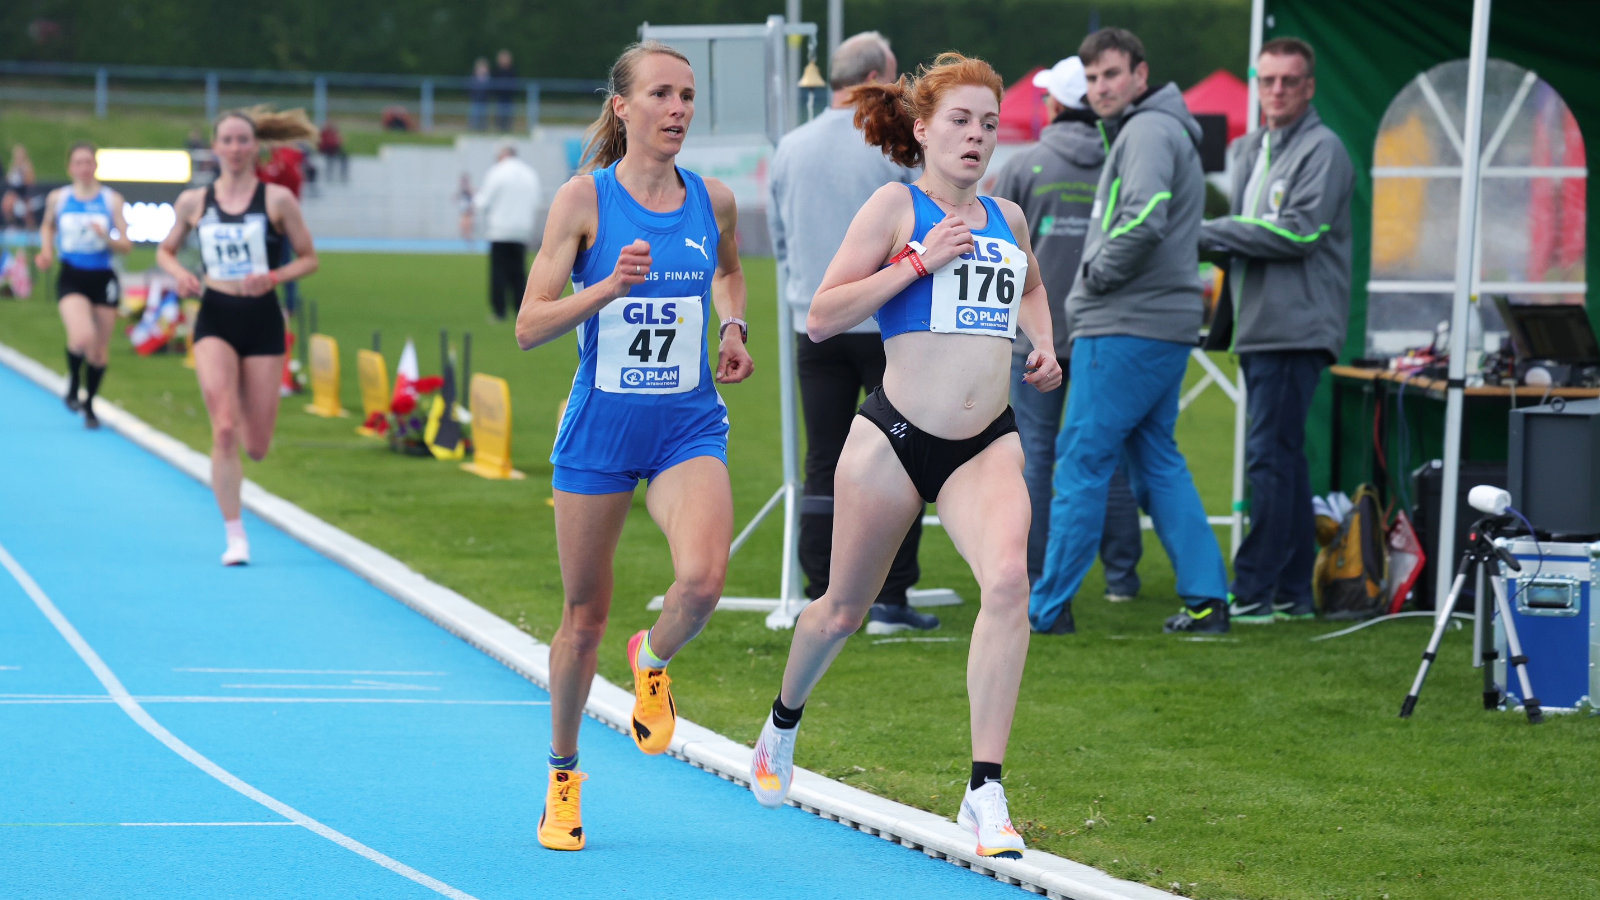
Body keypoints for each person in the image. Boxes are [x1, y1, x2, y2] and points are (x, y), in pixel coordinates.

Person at [748, 52, 1061, 861]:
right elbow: (821, 315)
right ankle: (782, 725)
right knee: (842, 612)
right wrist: (918, 262)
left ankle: (985, 788)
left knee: (1007, 582)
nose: (976, 136)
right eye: (960, 120)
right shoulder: (896, 204)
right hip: (892, 439)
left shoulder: (1009, 219)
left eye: (989, 124)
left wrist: (1045, 345)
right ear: (923, 130)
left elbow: (1029, 286)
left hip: (984, 444)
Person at [514, 40, 754, 852]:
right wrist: (608, 287)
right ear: (624, 108)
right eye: (662, 94)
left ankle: (651, 658)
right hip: (601, 430)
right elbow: (526, 326)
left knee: (704, 579)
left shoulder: (713, 201)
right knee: (582, 618)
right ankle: (563, 776)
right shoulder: (584, 201)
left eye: (687, 95)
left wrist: (734, 326)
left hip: (688, 423)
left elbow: (729, 272)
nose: (679, 109)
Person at [1028, 28, 1231, 636]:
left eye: (1111, 75)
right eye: (1091, 79)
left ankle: (1047, 609)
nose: (1100, 88)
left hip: (1124, 325)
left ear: (1141, 76)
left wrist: (1090, 277)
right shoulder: (1159, 128)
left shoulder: (1146, 129)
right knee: (1157, 462)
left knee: (1081, 460)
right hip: (1160, 325)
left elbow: (1143, 216)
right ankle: (1206, 600)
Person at [766, 31, 937, 635]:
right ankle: (889, 597)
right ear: (879, 76)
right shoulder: (891, 142)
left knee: (823, 461)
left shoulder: (789, 147)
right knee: (902, 456)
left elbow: (780, 240)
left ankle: (821, 590)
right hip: (887, 320)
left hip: (813, 321)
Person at [1200, 37, 1354, 624]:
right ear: (1256, 84)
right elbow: (1250, 233)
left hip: (1299, 325)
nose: (1278, 90)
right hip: (1260, 325)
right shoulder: (1247, 149)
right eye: (1268, 80)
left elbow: (1300, 234)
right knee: (1282, 459)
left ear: (1309, 86)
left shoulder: (1326, 149)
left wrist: (1206, 232)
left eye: (1289, 80)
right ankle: (1289, 589)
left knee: (1268, 458)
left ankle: (1257, 588)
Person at [989, 56, 1144, 631]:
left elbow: (999, 249)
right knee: (1109, 454)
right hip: (1106, 329)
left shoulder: (1026, 165)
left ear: (1054, 104)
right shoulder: (1120, 160)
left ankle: (1033, 573)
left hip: (1035, 336)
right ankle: (1124, 574)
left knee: (1036, 454)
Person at [155, 108, 320, 566]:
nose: (234, 148)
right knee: (224, 428)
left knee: (257, 445)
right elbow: (165, 251)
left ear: (255, 146)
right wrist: (181, 276)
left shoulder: (278, 200)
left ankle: (244, 443)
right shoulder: (195, 201)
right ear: (215, 146)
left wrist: (275, 276)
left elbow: (310, 259)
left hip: (263, 318)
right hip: (215, 317)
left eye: (242, 140)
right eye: (226, 140)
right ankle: (236, 535)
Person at [34, 142, 133, 429]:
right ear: (70, 168)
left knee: (99, 351)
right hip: (72, 275)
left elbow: (126, 245)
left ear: (95, 166)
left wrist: (107, 238)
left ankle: (89, 404)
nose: (84, 168)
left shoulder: (112, 200)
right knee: (81, 337)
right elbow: (47, 226)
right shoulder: (59, 198)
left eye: (88, 162)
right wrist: (46, 252)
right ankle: (74, 381)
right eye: (78, 163)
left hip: (102, 277)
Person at [474, 144, 541, 323]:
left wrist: (474, 196)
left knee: (499, 272)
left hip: (500, 229)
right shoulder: (529, 174)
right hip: (522, 230)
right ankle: (521, 309)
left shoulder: (497, 172)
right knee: (518, 273)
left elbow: (483, 202)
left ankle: (499, 311)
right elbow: (536, 201)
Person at [3, 144, 37, 230]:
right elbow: (9, 179)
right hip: (15, 191)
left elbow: (30, 181)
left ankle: (31, 229)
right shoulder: (13, 166)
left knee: (27, 213)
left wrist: (23, 174)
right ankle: (12, 225)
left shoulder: (27, 166)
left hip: (25, 191)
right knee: (6, 205)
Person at [492, 49, 517, 132]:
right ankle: (499, 128)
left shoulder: (512, 70)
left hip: (509, 97)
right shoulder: (497, 71)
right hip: (500, 97)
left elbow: (514, 84)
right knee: (499, 114)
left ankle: (508, 129)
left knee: (508, 114)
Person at [468, 58, 491, 132]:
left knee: (484, 117)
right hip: (475, 101)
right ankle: (473, 129)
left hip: (484, 101)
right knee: (474, 116)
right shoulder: (473, 79)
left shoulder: (488, 79)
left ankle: (483, 130)